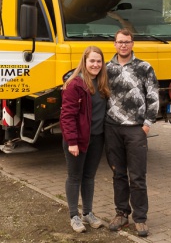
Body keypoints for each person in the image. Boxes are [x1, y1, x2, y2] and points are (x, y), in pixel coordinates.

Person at [105, 28, 159, 237]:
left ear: (132, 44)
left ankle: (140, 218)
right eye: (120, 42)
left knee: (137, 176)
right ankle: (121, 213)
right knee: (118, 174)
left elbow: (153, 96)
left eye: (127, 41)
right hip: (112, 128)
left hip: (136, 129)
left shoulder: (144, 68)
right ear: (115, 44)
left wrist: (147, 124)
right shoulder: (107, 68)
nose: (123, 45)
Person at [60, 46, 111, 233]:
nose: (96, 64)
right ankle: (74, 215)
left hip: (96, 138)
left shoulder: (103, 82)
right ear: (84, 61)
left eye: (99, 61)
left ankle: (87, 213)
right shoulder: (75, 84)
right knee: (75, 177)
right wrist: (72, 141)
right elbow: (67, 116)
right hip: (77, 140)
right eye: (92, 61)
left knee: (89, 177)